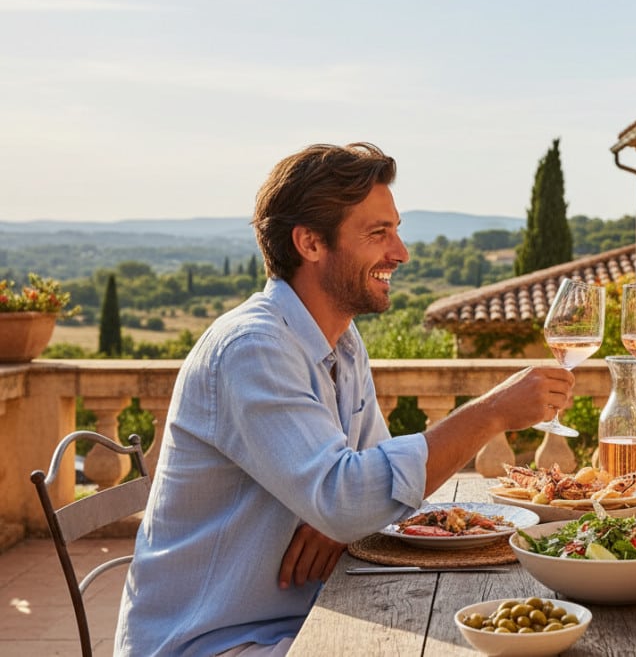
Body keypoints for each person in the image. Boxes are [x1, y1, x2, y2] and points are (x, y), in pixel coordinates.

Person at [114, 142, 573, 656]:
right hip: (215, 641)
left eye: (395, 230)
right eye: (379, 234)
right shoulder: (253, 349)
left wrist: (342, 519)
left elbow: (372, 490)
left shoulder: (341, 343)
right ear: (310, 242)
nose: (400, 253)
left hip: (299, 619)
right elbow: (353, 496)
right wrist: (492, 413)